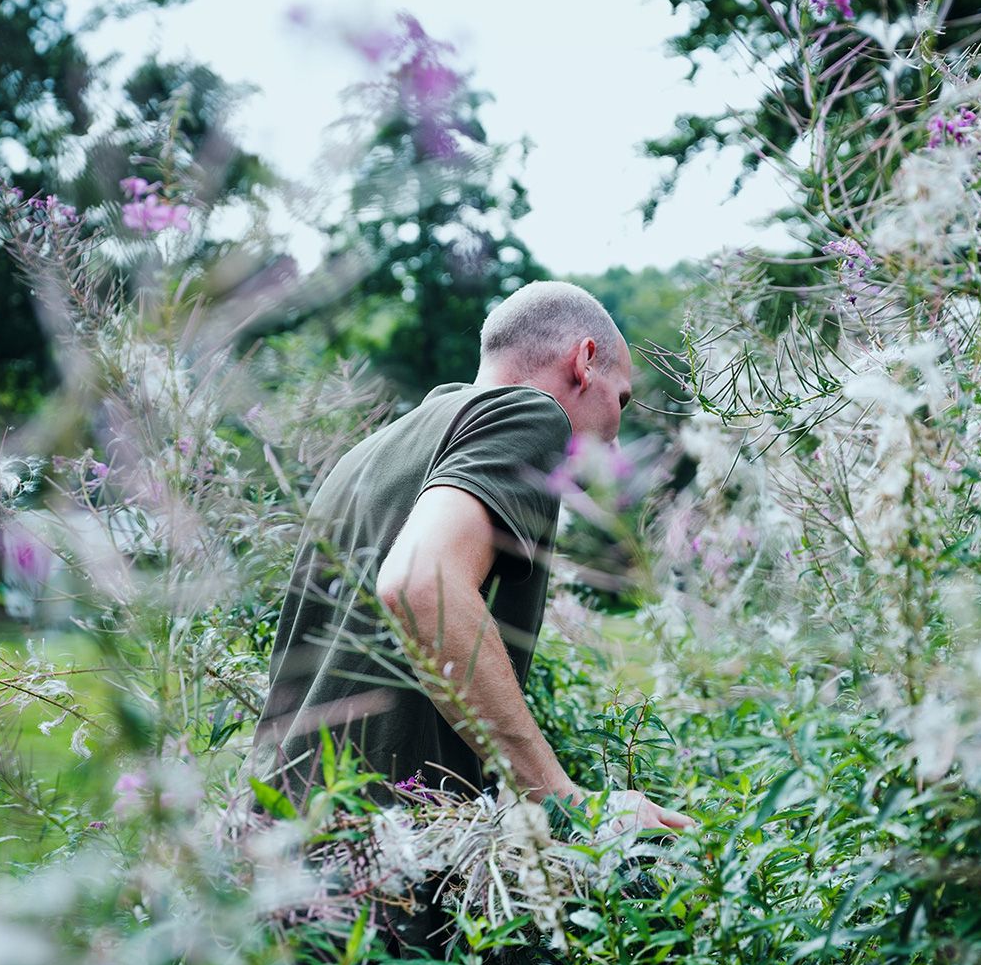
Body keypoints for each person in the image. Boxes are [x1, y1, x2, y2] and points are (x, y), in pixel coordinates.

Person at [252, 279, 694, 832]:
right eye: (621, 398)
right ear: (584, 361)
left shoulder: (372, 452)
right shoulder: (532, 416)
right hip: (375, 863)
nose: (613, 438)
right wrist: (566, 803)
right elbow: (419, 584)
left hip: (276, 841)